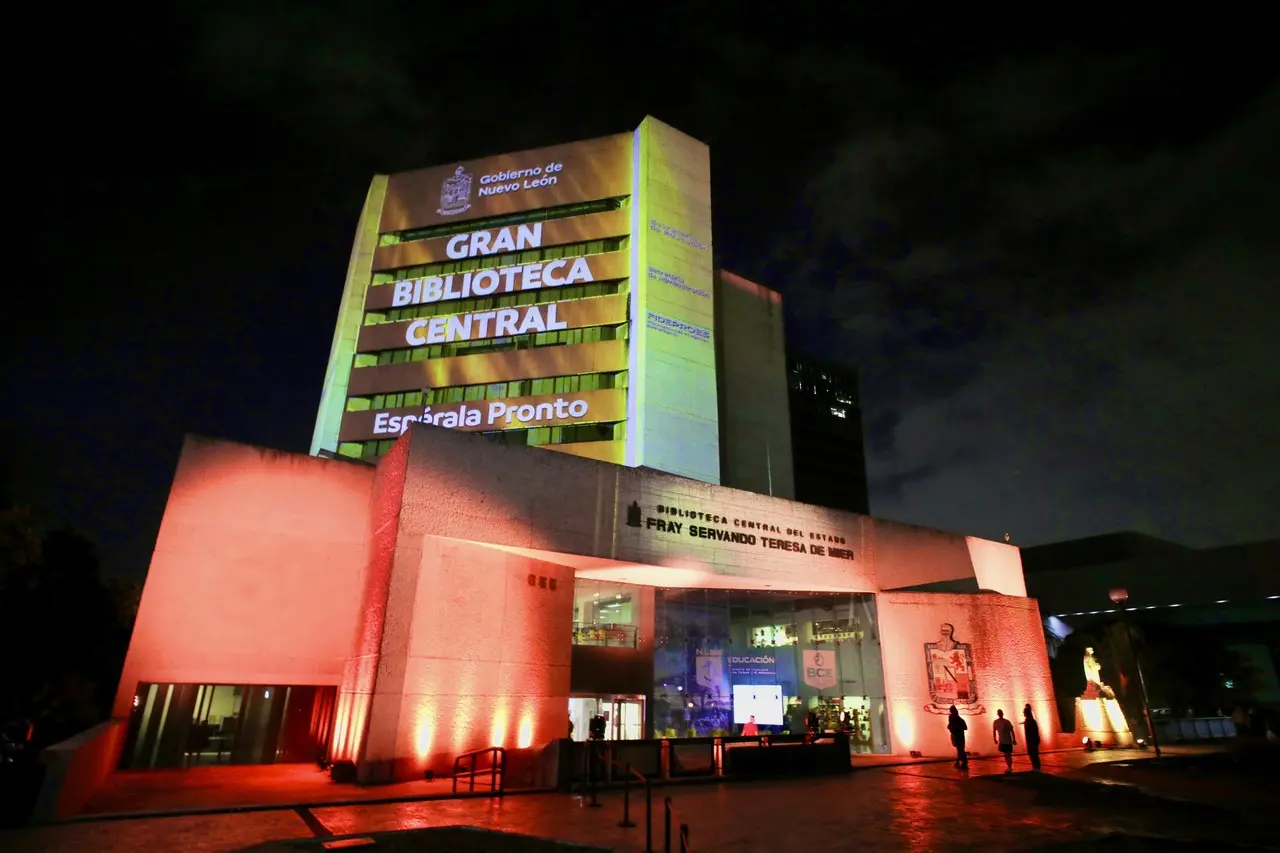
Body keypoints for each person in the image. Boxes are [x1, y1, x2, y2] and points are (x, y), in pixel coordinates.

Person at [993, 709, 1017, 774]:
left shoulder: (1006, 722)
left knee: (1008, 754)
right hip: (1002, 741)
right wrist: (995, 739)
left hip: (1007, 740)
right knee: (1006, 754)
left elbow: (1012, 731)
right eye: (999, 713)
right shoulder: (996, 722)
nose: (1000, 714)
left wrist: (1014, 739)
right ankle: (1009, 767)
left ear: (1002, 714)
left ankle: (1009, 767)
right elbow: (994, 730)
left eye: (1001, 713)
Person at [1022, 704, 1041, 771]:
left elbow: (1034, 731)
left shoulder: (1032, 721)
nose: (1023, 713)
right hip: (1029, 740)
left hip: (1033, 740)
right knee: (1031, 753)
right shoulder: (1027, 720)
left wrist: (1035, 740)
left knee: (1034, 754)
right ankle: (1035, 767)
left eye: (1024, 712)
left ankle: (1037, 767)